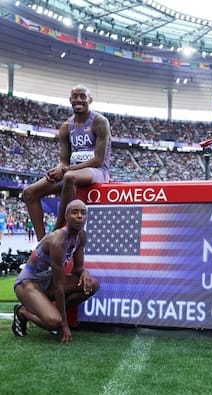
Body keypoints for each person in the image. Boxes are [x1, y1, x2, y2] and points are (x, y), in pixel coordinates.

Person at [22, 85, 111, 241]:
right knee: (29, 193)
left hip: (97, 171)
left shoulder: (99, 122)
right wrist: (56, 171)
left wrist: (65, 171)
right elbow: (63, 160)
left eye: (83, 96)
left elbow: (98, 160)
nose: (79, 99)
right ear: (70, 100)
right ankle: (43, 243)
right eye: (75, 96)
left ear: (90, 100)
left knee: (70, 177)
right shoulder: (65, 127)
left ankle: (58, 229)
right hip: (72, 170)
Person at [11, 199, 99, 343]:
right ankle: (22, 311)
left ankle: (48, 310)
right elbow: (59, 286)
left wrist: (85, 273)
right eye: (74, 212)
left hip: (48, 280)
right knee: (54, 323)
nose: (79, 216)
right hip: (28, 283)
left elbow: (77, 269)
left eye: (83, 213)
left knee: (91, 284)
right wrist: (64, 325)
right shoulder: (57, 240)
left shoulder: (81, 236)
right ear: (66, 216)